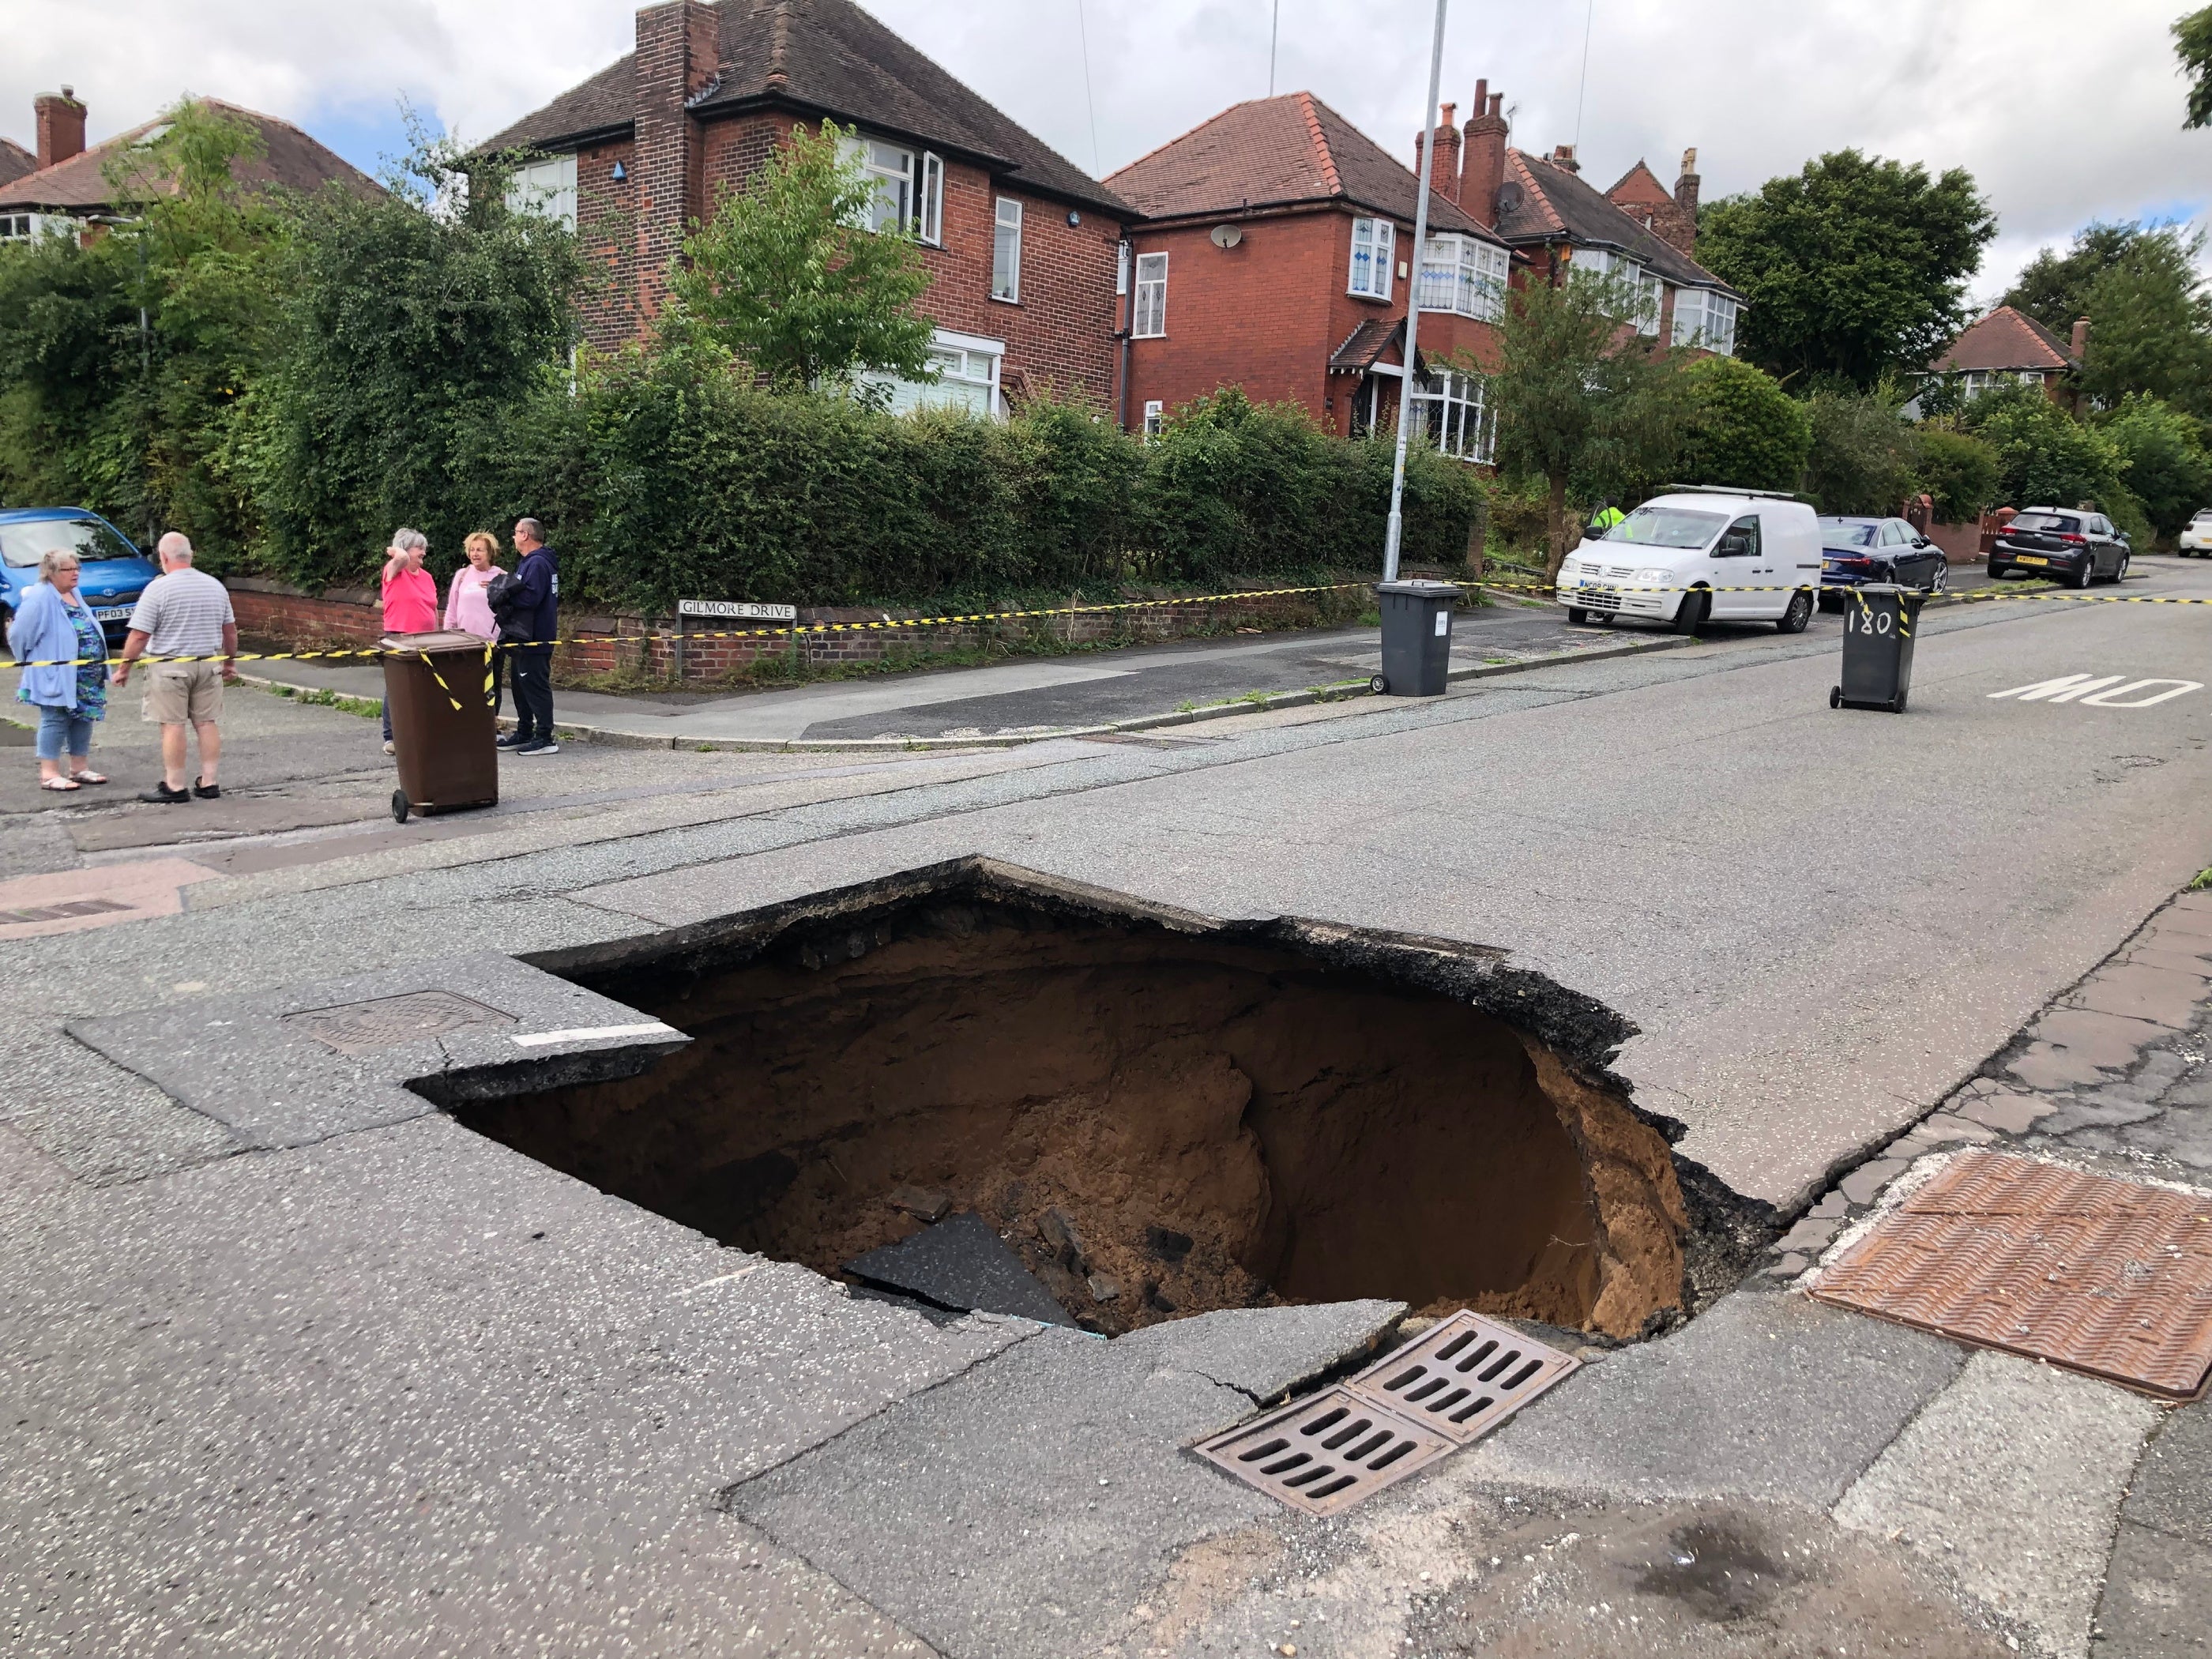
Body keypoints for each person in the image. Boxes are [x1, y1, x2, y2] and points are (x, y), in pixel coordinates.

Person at [112, 532, 235, 805]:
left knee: (172, 725)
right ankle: (209, 782)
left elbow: (140, 635)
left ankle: (175, 785)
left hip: (170, 667)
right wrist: (229, 662)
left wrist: (124, 668)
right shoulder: (215, 586)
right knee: (206, 723)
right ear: (191, 556)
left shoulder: (158, 589)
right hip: (207, 663)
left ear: (164, 557)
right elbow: (230, 631)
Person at [7, 547, 109, 792]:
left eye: (77, 568)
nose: (75, 574)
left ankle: (79, 767)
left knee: (84, 717)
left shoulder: (74, 592)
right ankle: (49, 773)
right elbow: (19, 635)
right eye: (69, 569)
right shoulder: (40, 596)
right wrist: (29, 660)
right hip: (55, 673)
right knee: (55, 718)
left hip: (85, 674)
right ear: (51, 572)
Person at [499, 517, 559, 756]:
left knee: (535, 685)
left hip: (536, 636)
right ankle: (524, 731)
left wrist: (504, 595)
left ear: (525, 535)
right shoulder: (529, 562)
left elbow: (531, 598)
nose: (513, 538)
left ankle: (545, 736)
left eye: (516, 533)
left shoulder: (537, 563)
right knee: (520, 685)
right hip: (522, 636)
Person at [379, 529, 438, 755]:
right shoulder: (394, 571)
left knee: (424, 686)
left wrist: (436, 635)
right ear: (405, 549)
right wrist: (397, 551)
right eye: (419, 548)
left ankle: (420, 732)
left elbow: (432, 608)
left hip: (425, 638)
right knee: (397, 686)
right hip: (400, 635)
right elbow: (402, 559)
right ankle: (391, 736)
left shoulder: (427, 577)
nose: (423, 552)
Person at [445, 530, 507, 718]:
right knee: (466, 685)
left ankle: (491, 725)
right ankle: (470, 725)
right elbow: (452, 607)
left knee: (492, 686)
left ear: (490, 553)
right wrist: (448, 635)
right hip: (465, 642)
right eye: (472, 550)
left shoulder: (501, 576)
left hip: (491, 643)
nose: (475, 554)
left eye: (480, 550)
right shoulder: (462, 575)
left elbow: (509, 610)